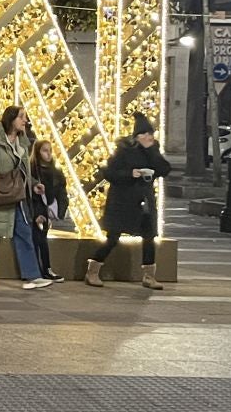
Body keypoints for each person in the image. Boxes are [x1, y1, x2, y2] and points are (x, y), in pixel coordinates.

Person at [87, 114, 173, 291]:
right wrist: (129, 174)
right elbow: (108, 172)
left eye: (151, 134)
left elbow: (164, 169)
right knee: (113, 238)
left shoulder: (153, 150)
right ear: (137, 136)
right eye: (145, 134)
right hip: (122, 202)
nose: (149, 138)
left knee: (149, 238)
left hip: (144, 202)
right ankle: (93, 270)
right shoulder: (124, 150)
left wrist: (151, 152)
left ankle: (149, 276)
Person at [0, 103, 50, 290]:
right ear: (11, 119)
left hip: (16, 195)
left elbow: (21, 171)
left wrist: (32, 184)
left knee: (24, 232)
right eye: (21, 117)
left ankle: (32, 276)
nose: (25, 121)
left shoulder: (22, 142)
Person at [29, 138, 68, 282]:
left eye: (50, 151)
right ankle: (41, 270)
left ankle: (43, 269)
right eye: (45, 150)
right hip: (36, 210)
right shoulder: (33, 170)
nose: (48, 154)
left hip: (48, 209)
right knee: (38, 240)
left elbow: (61, 192)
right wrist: (37, 213)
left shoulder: (55, 171)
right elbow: (31, 193)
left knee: (41, 239)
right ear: (38, 152)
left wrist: (59, 211)